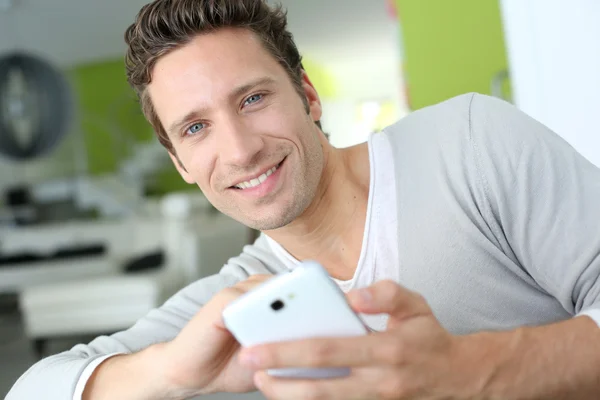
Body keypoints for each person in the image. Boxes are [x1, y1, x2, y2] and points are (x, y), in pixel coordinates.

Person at [8, 0, 600, 399]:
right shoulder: (241, 298)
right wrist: (168, 368)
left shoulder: (471, 142)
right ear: (181, 165)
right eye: (195, 128)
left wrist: (471, 371)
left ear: (308, 95)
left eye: (251, 99)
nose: (239, 150)